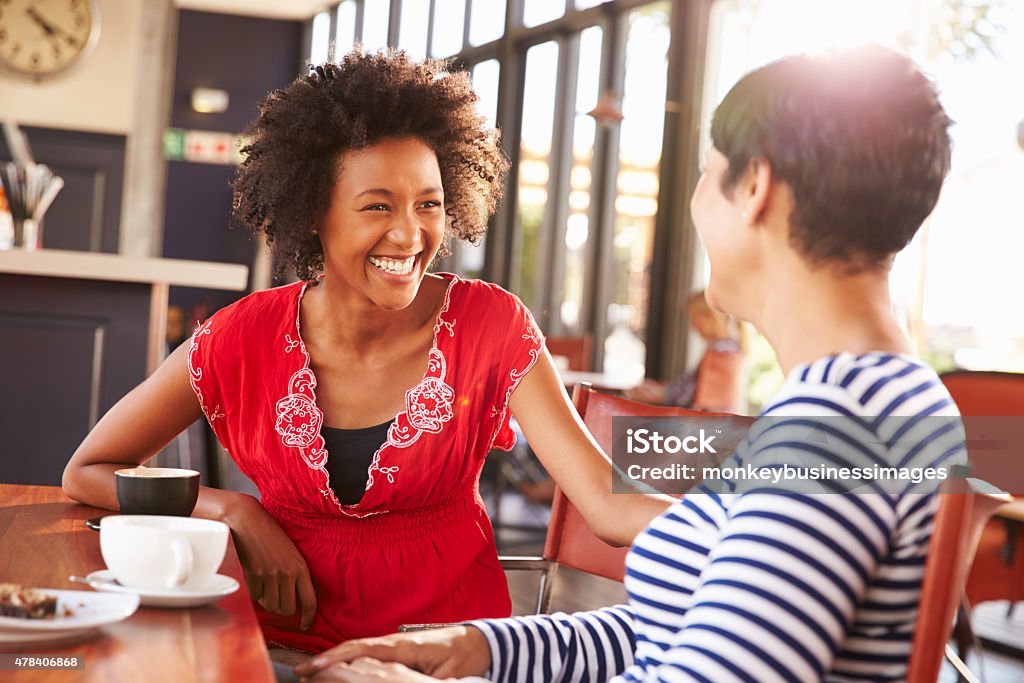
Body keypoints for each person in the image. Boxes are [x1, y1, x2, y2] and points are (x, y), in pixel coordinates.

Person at [295, 44, 966, 682]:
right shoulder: (868, 406)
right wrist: (475, 647)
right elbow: (672, 628)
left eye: (706, 173)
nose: (698, 204)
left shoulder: (836, 432)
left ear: (754, 183)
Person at [62, 50, 669, 654]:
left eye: (428, 204)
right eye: (377, 205)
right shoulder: (238, 338)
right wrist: (233, 512)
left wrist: (747, 528)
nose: (409, 235)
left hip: (442, 654)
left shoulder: (493, 325)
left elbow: (605, 502)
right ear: (311, 215)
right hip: (279, 648)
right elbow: (87, 471)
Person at [626, 290, 747, 412]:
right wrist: (662, 389)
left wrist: (660, 394)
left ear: (710, 317)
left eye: (694, 318)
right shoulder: (728, 349)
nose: (692, 326)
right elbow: (692, 385)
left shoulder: (721, 353)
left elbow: (693, 394)